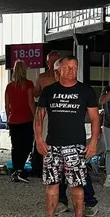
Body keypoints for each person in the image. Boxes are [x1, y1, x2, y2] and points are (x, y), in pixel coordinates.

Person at [34, 55, 100, 217]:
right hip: (53, 145)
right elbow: (39, 117)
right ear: (58, 70)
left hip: (76, 146)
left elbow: (95, 118)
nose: (71, 71)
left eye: (74, 67)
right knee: (52, 184)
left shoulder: (86, 91)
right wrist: (39, 139)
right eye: (67, 67)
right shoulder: (48, 91)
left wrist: (93, 141)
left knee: (77, 185)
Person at [31, 50, 61, 178]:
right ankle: (49, 168)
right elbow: (36, 93)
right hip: (51, 110)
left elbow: (35, 93)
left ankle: (48, 168)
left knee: (47, 139)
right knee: (47, 139)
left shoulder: (43, 77)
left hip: (53, 111)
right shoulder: (44, 77)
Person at [4, 59, 35, 183]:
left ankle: (17, 170)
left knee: (16, 146)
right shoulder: (28, 84)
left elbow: (7, 104)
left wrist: (8, 118)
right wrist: (35, 116)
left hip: (13, 120)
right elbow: (30, 102)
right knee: (27, 145)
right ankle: (21, 169)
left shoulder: (9, 86)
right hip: (26, 118)